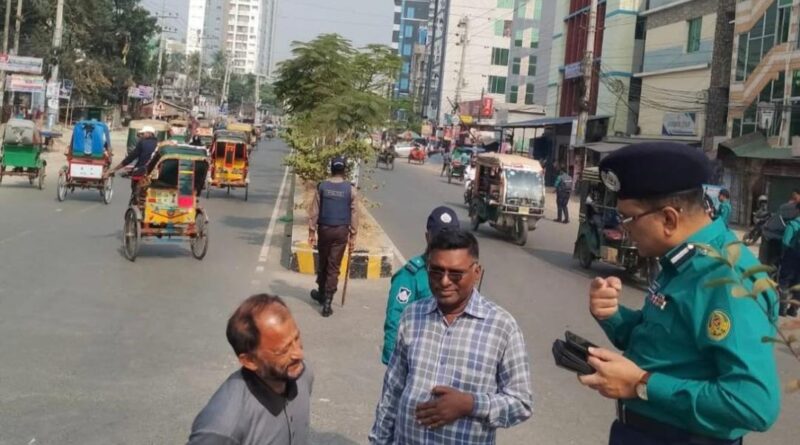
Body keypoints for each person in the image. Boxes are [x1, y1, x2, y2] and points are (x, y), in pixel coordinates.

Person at [580, 142, 781, 445]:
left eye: (628, 218)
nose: (624, 229)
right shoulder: (683, 260)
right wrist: (612, 315)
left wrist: (642, 384)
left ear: (669, 219)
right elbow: (663, 345)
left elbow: (752, 404)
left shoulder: (727, 279)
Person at [369, 229, 533, 444]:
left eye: (456, 274)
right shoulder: (412, 315)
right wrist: (379, 440)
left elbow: (521, 402)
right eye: (436, 272)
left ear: (476, 273)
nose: (444, 281)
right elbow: (393, 389)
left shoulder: (502, 327)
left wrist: (470, 404)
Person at [187, 294, 312, 445]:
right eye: (283, 351)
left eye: (296, 338)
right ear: (250, 361)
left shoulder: (301, 374)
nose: (299, 354)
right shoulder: (222, 427)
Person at [381, 206, 461, 365]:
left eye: (451, 239)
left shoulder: (461, 275)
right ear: (427, 237)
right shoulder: (410, 276)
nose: (445, 244)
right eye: (439, 239)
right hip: (418, 361)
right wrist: (394, 364)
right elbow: (395, 321)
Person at [308, 156, 358, 318]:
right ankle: (327, 302)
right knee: (334, 266)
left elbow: (314, 211)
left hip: (324, 230)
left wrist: (311, 231)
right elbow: (354, 214)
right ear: (344, 170)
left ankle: (322, 292)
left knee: (323, 261)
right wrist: (353, 235)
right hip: (341, 231)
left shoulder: (322, 186)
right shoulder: (351, 190)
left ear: (331, 169)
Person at [105, 125, 159, 200]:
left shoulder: (142, 143)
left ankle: (135, 198)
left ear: (149, 134)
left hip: (142, 172)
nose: (140, 136)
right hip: (156, 174)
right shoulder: (159, 144)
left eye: (142, 134)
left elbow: (130, 158)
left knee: (135, 189)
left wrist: (115, 169)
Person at [760, 189, 800, 267]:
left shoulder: (787, 207)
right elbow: (786, 242)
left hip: (771, 236)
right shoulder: (791, 209)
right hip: (774, 238)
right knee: (769, 266)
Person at [780, 203, 800, 317]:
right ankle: (793, 310)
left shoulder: (793, 224)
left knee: (785, 281)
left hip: (791, 256)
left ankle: (782, 309)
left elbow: (785, 242)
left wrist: (783, 254)